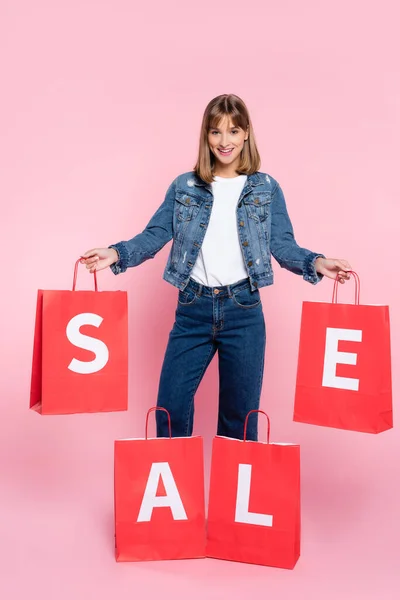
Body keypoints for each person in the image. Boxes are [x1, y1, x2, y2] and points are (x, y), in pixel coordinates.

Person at [81, 93, 351, 441]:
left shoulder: (266, 188)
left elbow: (281, 245)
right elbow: (157, 233)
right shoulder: (186, 186)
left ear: (246, 134)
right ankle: (176, 493)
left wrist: (315, 262)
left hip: (244, 310)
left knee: (240, 420)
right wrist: (117, 254)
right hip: (192, 308)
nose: (225, 142)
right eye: (215, 132)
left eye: (233, 131)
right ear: (205, 136)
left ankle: (234, 496)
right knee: (170, 409)